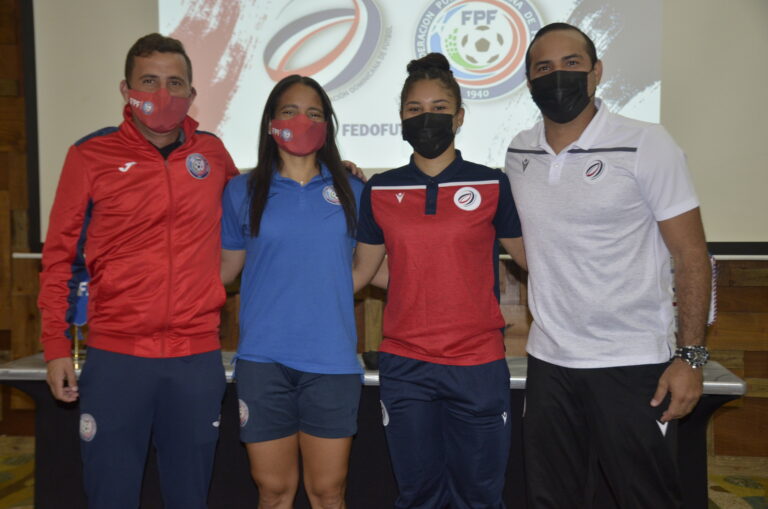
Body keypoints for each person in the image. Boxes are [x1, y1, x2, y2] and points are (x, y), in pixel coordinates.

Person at [504, 22, 711, 508]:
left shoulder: (646, 142)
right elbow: (532, 242)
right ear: (529, 80)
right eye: (543, 68)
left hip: (633, 363)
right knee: (551, 499)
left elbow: (692, 255)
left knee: (645, 498)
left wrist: (691, 357)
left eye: (571, 64)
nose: (558, 76)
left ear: (596, 72)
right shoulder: (519, 151)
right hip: (550, 363)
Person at [38, 33, 239, 509]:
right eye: (149, 81)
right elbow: (59, 256)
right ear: (125, 89)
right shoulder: (89, 155)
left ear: (192, 94)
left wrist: (336, 172)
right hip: (116, 359)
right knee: (111, 496)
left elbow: (260, 203)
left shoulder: (212, 155)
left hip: (195, 358)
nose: (163, 95)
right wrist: (54, 345)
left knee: (190, 497)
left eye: (175, 83)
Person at [353, 53, 527, 509]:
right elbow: (360, 274)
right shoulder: (381, 189)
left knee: (481, 496)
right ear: (401, 119)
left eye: (438, 107)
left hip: (477, 364)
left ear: (460, 117)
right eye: (414, 109)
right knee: (418, 495)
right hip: (405, 365)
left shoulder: (493, 184)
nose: (426, 117)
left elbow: (537, 261)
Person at [219, 75, 366, 509]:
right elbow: (225, 271)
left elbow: (370, 268)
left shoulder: (354, 190)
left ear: (328, 126)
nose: (302, 121)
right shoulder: (240, 191)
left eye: (314, 114)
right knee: (274, 491)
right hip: (263, 362)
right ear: (270, 123)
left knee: (327, 493)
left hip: (332, 363)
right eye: (290, 111)